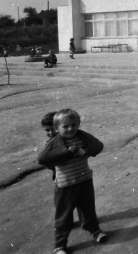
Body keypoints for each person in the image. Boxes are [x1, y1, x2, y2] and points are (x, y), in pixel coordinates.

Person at [38, 108, 107, 254]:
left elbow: (98, 145)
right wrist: (68, 153)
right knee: (64, 215)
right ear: (57, 128)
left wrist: (86, 150)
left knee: (88, 209)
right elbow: (43, 159)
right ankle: (60, 245)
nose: (71, 129)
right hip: (66, 185)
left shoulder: (81, 136)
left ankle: (95, 230)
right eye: (65, 126)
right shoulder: (55, 142)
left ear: (79, 124)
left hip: (84, 180)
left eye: (74, 125)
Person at [41, 112, 84, 227]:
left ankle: (84, 221)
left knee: (81, 200)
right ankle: (66, 223)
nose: (51, 133)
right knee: (63, 203)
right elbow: (46, 161)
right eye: (47, 130)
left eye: (52, 129)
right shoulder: (50, 144)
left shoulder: (71, 139)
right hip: (61, 176)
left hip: (75, 173)